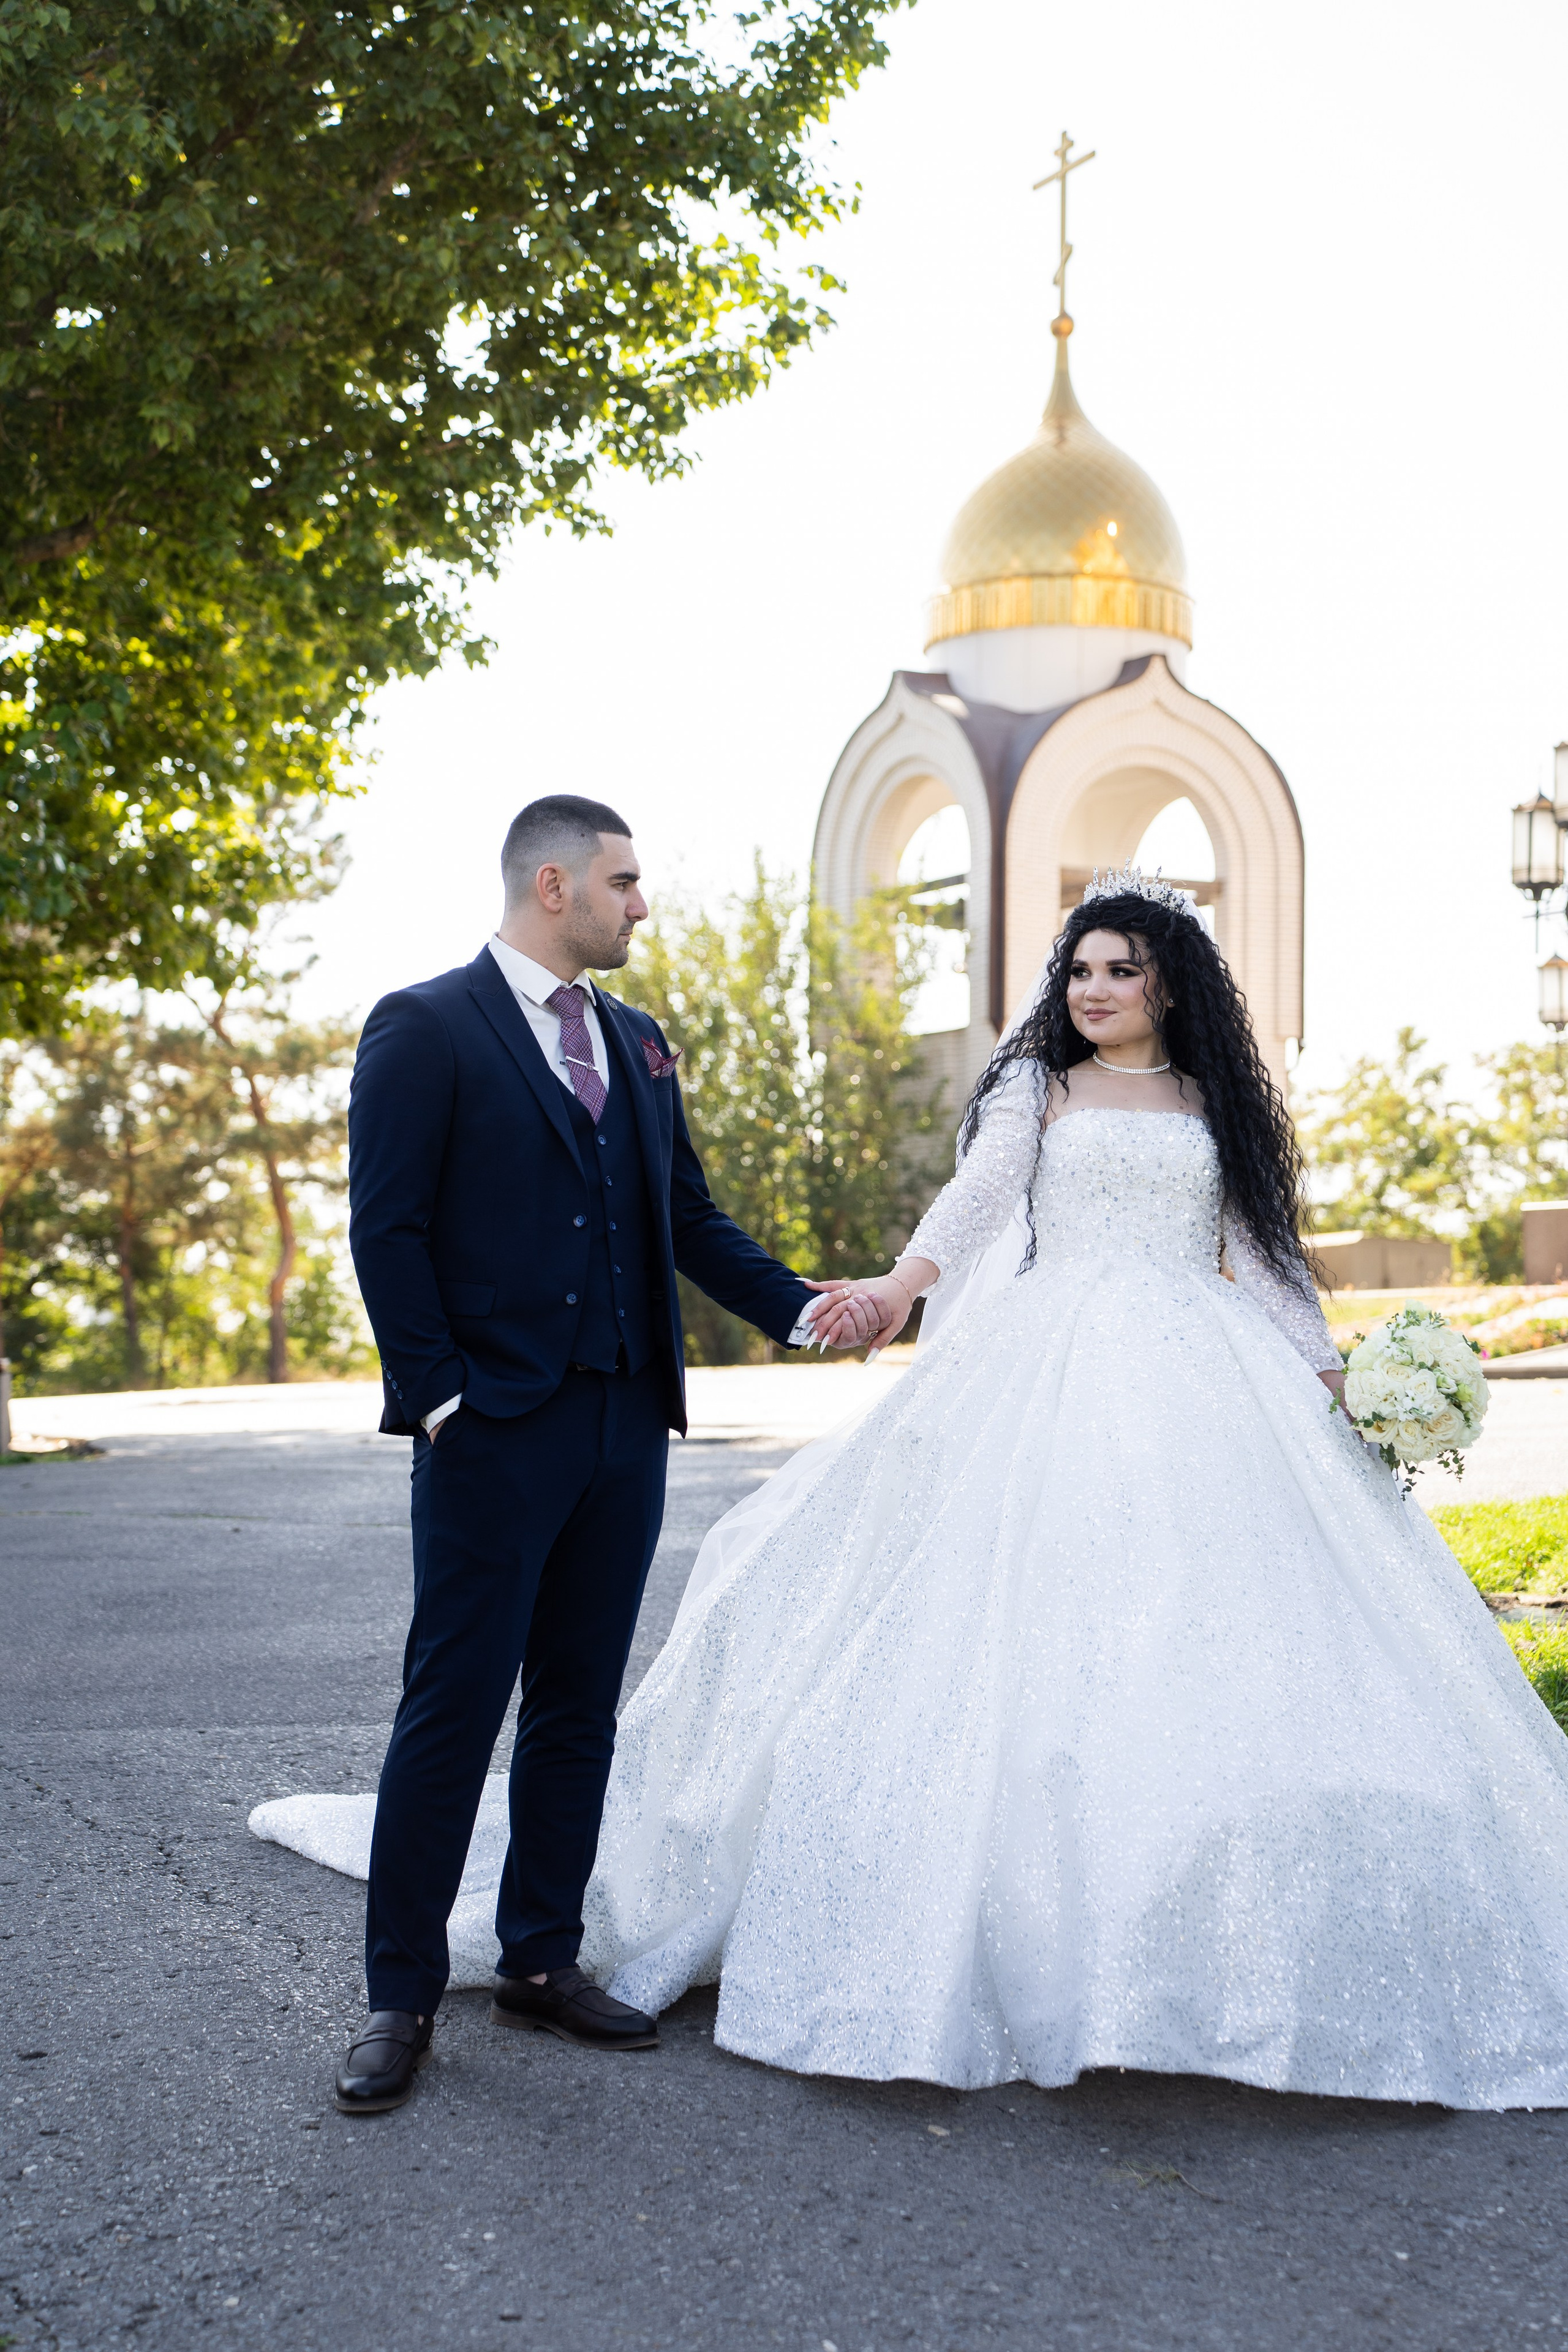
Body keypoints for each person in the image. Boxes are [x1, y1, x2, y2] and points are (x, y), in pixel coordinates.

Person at [580, 870, 1568, 2108]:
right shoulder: (1037, 1087)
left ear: (1171, 984)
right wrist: (894, 1290)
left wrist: (1336, 1377)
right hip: (1050, 1358)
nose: (1092, 990)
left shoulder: (1214, 1103)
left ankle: (1198, 1942)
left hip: (1204, 1363)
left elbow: (1257, 1258)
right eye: (1080, 970)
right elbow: (980, 1201)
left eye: (1120, 970)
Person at [333, 795, 876, 2114]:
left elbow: (684, 1217)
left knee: (578, 1707)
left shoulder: (634, 1043)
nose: (642, 906)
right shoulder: (425, 1025)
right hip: (493, 1428)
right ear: (556, 884)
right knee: (453, 1709)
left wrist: (806, 1309)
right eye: (627, 883)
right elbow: (387, 1227)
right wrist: (442, 1399)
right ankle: (398, 1998)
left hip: (624, 1424)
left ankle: (538, 1958)